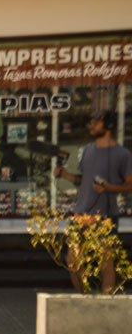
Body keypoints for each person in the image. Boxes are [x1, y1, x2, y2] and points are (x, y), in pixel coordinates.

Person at [54, 109, 132, 294]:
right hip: (81, 213)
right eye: (91, 122)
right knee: (72, 260)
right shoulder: (88, 150)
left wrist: (108, 188)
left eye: (96, 122)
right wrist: (66, 175)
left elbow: (129, 186)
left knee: (106, 261)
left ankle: (106, 304)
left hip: (105, 215)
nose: (91, 125)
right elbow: (84, 180)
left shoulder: (122, 155)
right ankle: (84, 299)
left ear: (109, 126)